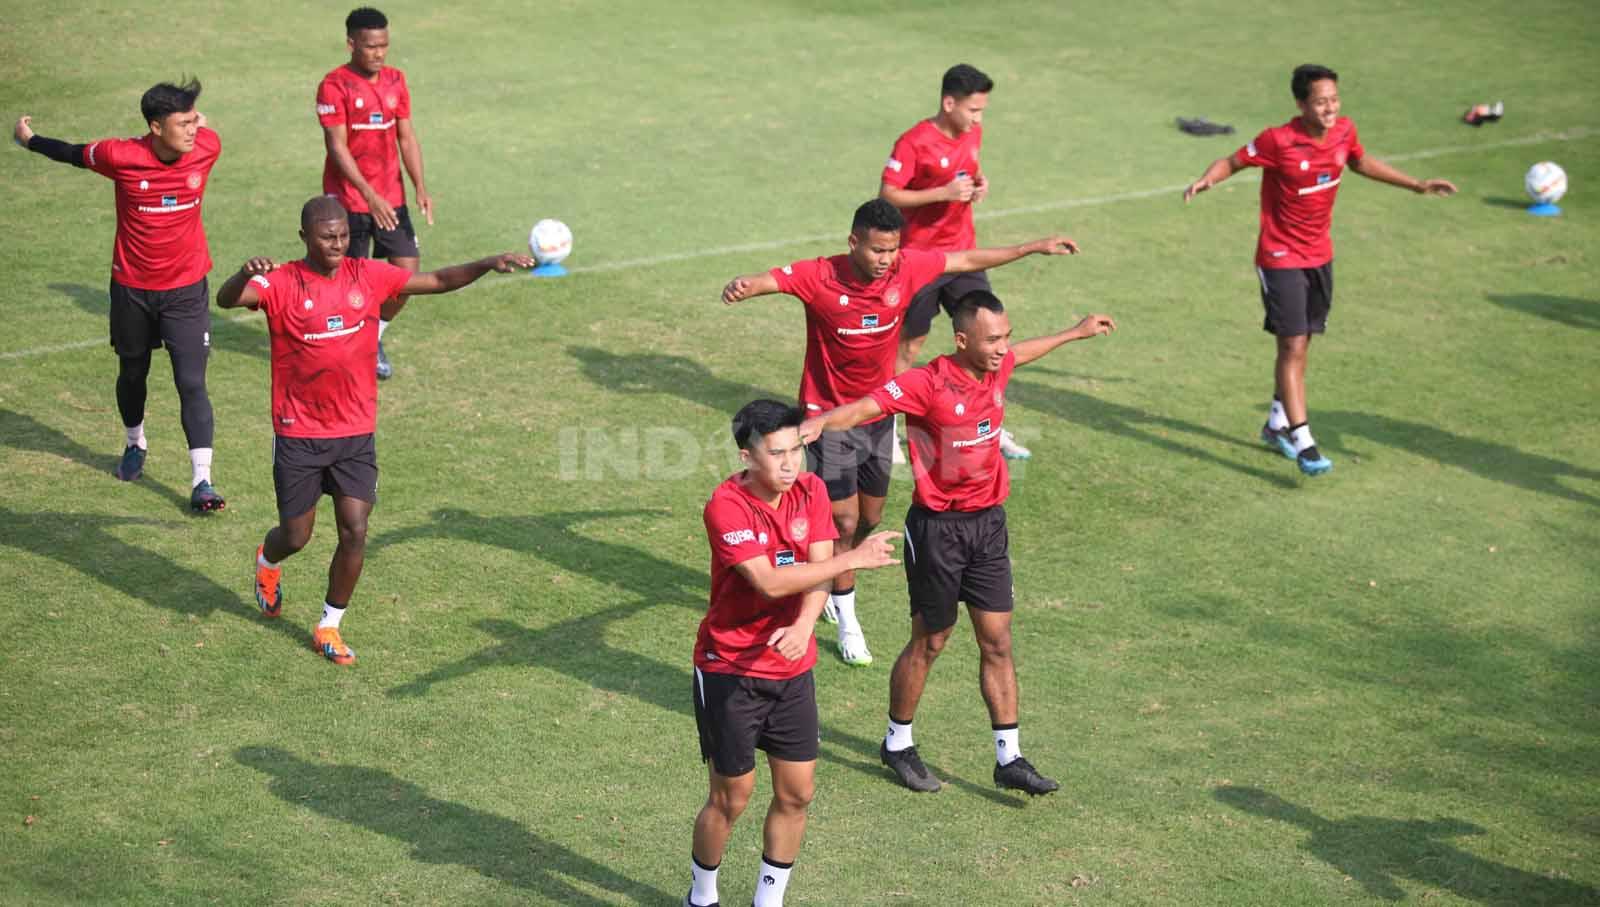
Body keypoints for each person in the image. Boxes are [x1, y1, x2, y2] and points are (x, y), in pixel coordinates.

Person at [720, 198, 1078, 667]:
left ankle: (827, 574)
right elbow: (775, 280)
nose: (885, 260)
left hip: (879, 414)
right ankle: (846, 617)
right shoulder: (820, 276)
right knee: (844, 522)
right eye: (876, 250)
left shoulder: (907, 269)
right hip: (827, 417)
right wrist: (746, 287)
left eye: (892, 250)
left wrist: (1032, 247)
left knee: (869, 517)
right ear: (854, 243)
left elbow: (966, 259)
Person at [800, 293, 1115, 795]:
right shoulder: (927, 382)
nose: (1002, 348)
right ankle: (897, 742)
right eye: (992, 339)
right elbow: (869, 405)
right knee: (932, 641)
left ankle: (1009, 758)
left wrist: (1075, 331)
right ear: (962, 339)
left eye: (1005, 335)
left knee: (998, 641)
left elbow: (1026, 352)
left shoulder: (996, 368)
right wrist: (818, 423)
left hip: (989, 526)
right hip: (938, 531)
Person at [216, 196, 532, 665]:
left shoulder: (368, 275)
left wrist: (487, 262)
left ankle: (329, 625)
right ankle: (268, 560)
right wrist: (244, 272)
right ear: (305, 237)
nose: (338, 244)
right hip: (299, 433)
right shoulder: (280, 281)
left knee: (356, 531)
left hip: (355, 433)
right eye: (327, 237)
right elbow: (225, 300)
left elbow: (439, 280)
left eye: (343, 235)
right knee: (296, 535)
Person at [1183, 63, 1456, 476]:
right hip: (1280, 256)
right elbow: (1233, 161)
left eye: (1334, 99)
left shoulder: (1345, 131)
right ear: (1300, 104)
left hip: (1319, 256)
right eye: (1320, 101)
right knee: (1291, 345)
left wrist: (1416, 185)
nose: (1329, 108)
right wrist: (1208, 180)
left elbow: (1360, 162)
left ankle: (1276, 424)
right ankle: (1304, 440)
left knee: (1302, 343)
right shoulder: (1278, 140)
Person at [687, 399, 900, 907]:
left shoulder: (812, 490)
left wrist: (806, 626)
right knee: (731, 797)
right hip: (730, 669)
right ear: (746, 457)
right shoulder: (726, 507)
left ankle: (769, 901)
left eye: (796, 451)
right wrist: (856, 558)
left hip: (792, 670)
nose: (789, 465)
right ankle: (702, 896)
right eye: (776, 454)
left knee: (797, 793)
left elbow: (821, 570)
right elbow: (768, 581)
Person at [13, 79, 227, 511]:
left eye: (193, 121)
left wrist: (195, 118)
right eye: (182, 123)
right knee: (133, 373)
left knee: (191, 382)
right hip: (132, 290)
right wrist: (31, 140)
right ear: (153, 126)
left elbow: (203, 128)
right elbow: (73, 154)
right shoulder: (119, 155)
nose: (192, 131)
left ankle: (202, 481)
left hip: (186, 290)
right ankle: (135, 443)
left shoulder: (207, 147)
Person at [879, 63, 1032, 461]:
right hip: (921, 260)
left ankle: (989, 425)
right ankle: (886, 430)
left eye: (982, 111)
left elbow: (971, 167)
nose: (978, 119)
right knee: (909, 346)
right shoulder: (914, 142)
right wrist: (942, 192)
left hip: (964, 255)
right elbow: (888, 195)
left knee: (989, 338)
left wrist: (980, 183)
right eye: (973, 110)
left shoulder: (972, 132)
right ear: (949, 103)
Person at [317, 6, 434, 380]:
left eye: (384, 45)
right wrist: (368, 194)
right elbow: (337, 147)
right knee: (345, 284)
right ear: (352, 44)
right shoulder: (333, 85)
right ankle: (337, 350)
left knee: (407, 274)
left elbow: (406, 135)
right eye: (371, 47)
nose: (379, 54)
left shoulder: (396, 80)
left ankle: (373, 336)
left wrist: (419, 185)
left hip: (392, 198)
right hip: (348, 202)